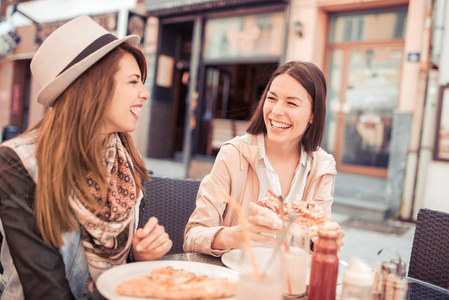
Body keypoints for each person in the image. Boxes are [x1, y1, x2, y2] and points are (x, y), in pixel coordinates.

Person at [0, 16, 172, 299]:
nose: (145, 93)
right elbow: (44, 289)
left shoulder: (125, 158)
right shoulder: (20, 162)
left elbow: (112, 267)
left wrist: (137, 256)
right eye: (133, 82)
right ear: (93, 87)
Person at [184, 61, 343, 256]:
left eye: (291, 103)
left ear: (313, 114)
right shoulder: (234, 155)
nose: (276, 111)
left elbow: (317, 242)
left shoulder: (322, 166)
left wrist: (322, 244)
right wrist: (234, 236)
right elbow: (192, 236)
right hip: (234, 276)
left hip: (291, 280)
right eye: (272, 98)